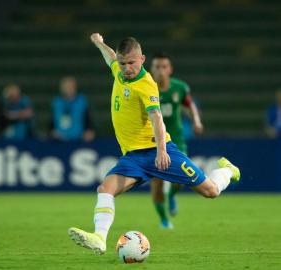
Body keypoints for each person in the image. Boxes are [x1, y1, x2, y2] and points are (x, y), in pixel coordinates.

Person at [68, 33, 240, 255]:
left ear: (142, 59)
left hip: (159, 151)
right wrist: (99, 43)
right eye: (123, 63)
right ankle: (99, 238)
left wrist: (161, 151)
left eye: (131, 62)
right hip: (133, 158)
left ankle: (227, 170)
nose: (126, 67)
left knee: (210, 191)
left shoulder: (146, 85)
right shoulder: (118, 72)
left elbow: (157, 117)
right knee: (105, 189)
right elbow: (110, 57)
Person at [150, 52, 204, 229]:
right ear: (151, 69)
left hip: (176, 141)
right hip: (152, 142)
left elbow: (189, 105)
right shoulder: (145, 88)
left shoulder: (179, 88)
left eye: (164, 67)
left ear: (170, 69)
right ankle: (164, 220)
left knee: (180, 180)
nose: (161, 71)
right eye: (157, 67)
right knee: (157, 183)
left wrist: (196, 121)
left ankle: (172, 196)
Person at [50, 76, 95, 142]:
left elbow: (88, 120)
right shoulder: (56, 103)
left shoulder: (82, 101)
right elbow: (51, 124)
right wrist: (52, 133)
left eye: (72, 86)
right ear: (62, 88)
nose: (70, 88)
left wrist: (89, 131)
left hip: (79, 140)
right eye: (67, 86)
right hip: (59, 142)